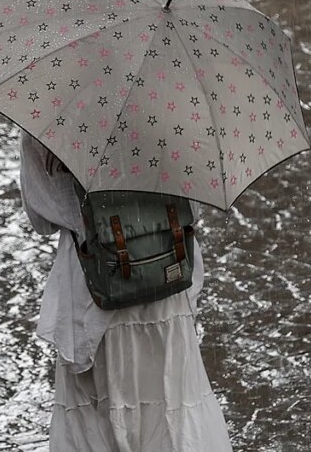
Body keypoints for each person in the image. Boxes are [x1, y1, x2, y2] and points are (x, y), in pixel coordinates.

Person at [19, 132, 233, 451]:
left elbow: (40, 218)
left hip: (93, 292)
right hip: (165, 278)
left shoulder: (48, 115)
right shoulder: (174, 103)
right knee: (173, 406)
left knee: (98, 419)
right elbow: (195, 208)